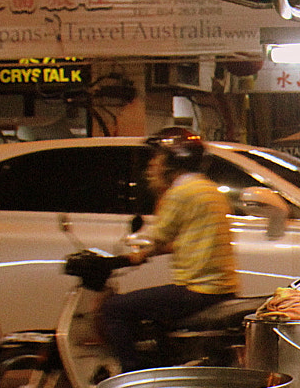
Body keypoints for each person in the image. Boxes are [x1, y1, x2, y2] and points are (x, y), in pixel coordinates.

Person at [97, 127, 239, 371]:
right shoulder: (208, 188)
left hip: (197, 289)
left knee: (113, 309)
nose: (151, 165)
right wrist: (146, 254)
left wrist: (130, 253)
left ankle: (131, 376)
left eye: (157, 158)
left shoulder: (180, 192)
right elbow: (185, 239)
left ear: (172, 160)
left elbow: (154, 237)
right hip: (221, 288)